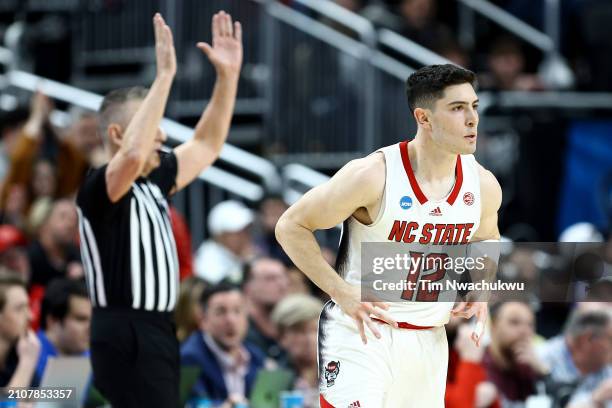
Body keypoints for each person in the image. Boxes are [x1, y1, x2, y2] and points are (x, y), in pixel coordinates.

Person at [276, 64, 502, 407]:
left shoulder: (482, 184)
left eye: (474, 106)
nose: (472, 119)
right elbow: (290, 227)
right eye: (457, 108)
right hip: (362, 334)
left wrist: (481, 284)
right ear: (423, 118)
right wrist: (341, 291)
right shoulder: (373, 175)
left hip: (429, 340)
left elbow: (487, 237)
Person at [75, 11, 242, 407]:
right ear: (117, 134)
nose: (163, 134)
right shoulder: (99, 186)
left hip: (157, 328)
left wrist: (227, 78)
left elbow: (206, 145)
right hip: (123, 328)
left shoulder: (155, 179)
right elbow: (131, 155)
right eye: (152, 123)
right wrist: (164, 75)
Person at [180, 281, 266, 405]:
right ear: (203, 319)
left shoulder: (255, 356)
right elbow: (194, 403)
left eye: (237, 311)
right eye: (220, 312)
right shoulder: (189, 357)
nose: (230, 320)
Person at [482, 301, 544, 404]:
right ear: (493, 326)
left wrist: (542, 372)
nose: (524, 331)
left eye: (530, 325)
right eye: (514, 322)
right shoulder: (477, 365)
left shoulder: (529, 368)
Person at [34, 278, 91, 384]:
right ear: (52, 321)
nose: (90, 328)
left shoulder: (91, 356)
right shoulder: (26, 360)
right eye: (81, 319)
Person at [271, 294, 324, 408]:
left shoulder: (338, 373)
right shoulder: (273, 378)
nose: (309, 339)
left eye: (315, 330)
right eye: (300, 331)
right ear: (282, 337)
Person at [194, 200, 257, 284]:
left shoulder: (240, 256)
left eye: (247, 230)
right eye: (239, 232)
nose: (246, 236)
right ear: (220, 236)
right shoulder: (207, 263)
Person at [243, 257, 289, 362]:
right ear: (248, 287)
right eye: (270, 279)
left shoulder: (293, 327)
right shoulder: (238, 331)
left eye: (283, 278)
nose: (282, 285)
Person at [0, 272, 40, 388]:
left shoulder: (19, 354)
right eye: (19, 309)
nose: (30, 316)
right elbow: (7, 406)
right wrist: (26, 364)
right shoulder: (26, 357)